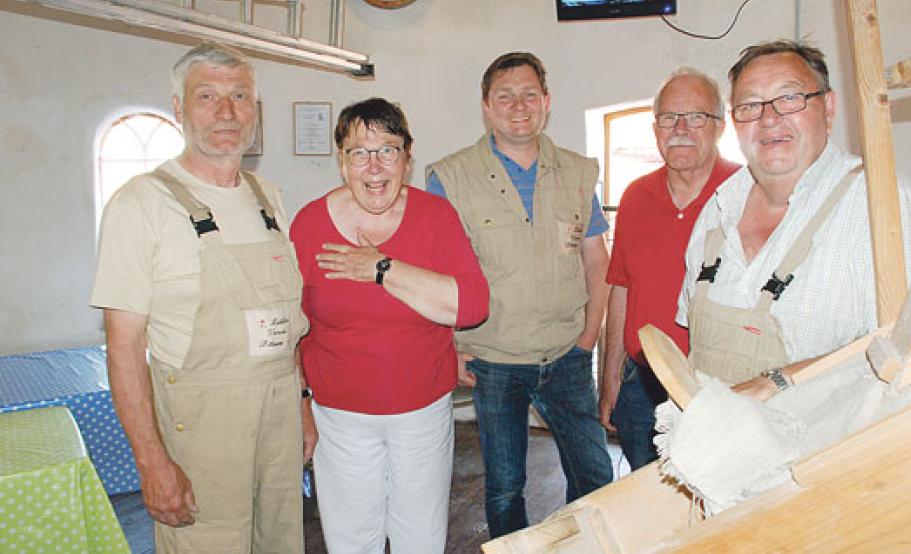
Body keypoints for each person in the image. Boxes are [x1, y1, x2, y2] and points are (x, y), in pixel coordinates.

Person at [90, 42, 313, 552]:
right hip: (202, 429)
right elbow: (124, 348)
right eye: (207, 96)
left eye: (240, 96)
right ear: (178, 108)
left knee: (279, 541)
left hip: (278, 416)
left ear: (256, 110)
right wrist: (151, 461)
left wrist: (300, 405)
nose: (227, 112)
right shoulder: (140, 203)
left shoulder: (267, 198)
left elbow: (286, 320)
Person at [676, 40, 911, 400]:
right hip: (714, 446)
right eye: (750, 105)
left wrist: (780, 380)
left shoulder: (883, 205)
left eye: (790, 98)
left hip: (829, 449)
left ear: (828, 108)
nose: (769, 118)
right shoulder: (716, 212)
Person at [426, 51, 613, 538]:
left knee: (594, 474)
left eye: (530, 94)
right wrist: (451, 344)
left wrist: (589, 336)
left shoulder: (577, 173)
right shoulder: (450, 176)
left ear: (546, 102)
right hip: (495, 359)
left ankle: (582, 548)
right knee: (506, 486)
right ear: (486, 107)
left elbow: (597, 261)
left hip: (568, 355)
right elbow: (434, 271)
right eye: (504, 96)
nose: (518, 106)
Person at [290, 97, 489, 553]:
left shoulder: (436, 217)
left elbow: (473, 305)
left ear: (407, 157)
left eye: (388, 150)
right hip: (339, 417)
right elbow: (292, 330)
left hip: (422, 411)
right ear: (341, 161)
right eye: (359, 152)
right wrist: (301, 402)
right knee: (350, 539)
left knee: (419, 537)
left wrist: (380, 268)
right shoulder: (308, 224)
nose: (374, 167)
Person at [600, 67, 740, 470]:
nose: (680, 128)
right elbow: (621, 288)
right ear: (655, 128)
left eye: (696, 116)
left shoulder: (746, 192)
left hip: (719, 384)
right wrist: (610, 379)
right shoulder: (635, 196)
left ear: (720, 126)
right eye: (668, 118)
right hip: (642, 384)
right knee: (647, 496)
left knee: (715, 496)